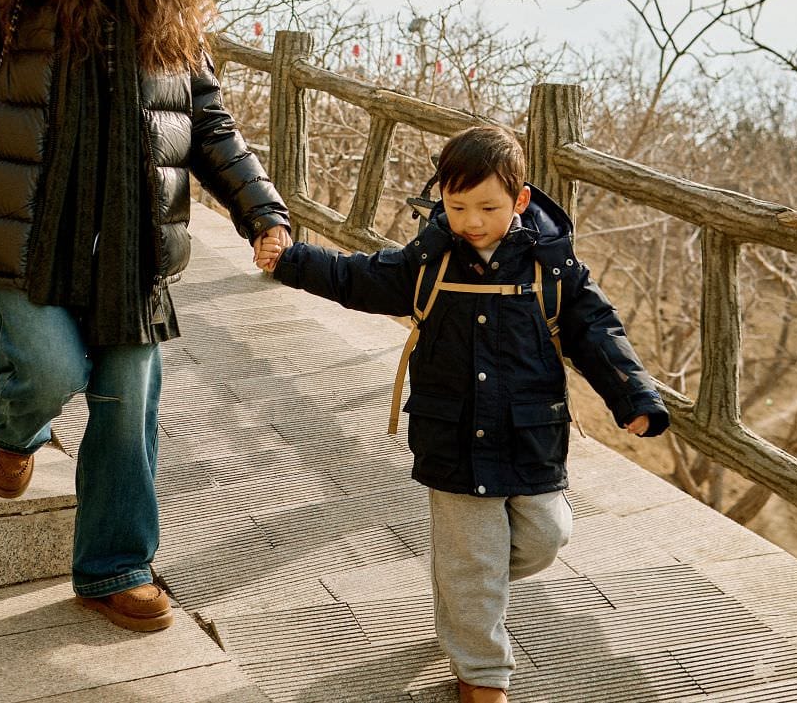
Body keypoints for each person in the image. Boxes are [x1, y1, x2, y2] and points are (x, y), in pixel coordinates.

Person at [0, 0, 291, 634]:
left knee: (126, 405)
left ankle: (114, 565)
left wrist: (263, 210)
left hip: (133, 251)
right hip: (26, 238)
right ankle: (13, 425)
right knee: (49, 367)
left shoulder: (167, 9)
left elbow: (209, 126)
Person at [255, 125, 668, 703]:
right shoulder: (427, 262)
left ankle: (461, 597)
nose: (472, 220)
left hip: (530, 431)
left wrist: (635, 397)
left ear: (520, 201)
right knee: (473, 563)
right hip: (450, 431)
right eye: (457, 206)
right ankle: (482, 673)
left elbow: (597, 331)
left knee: (547, 536)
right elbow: (357, 277)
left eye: (488, 207)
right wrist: (292, 260)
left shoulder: (552, 267)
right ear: (441, 199)